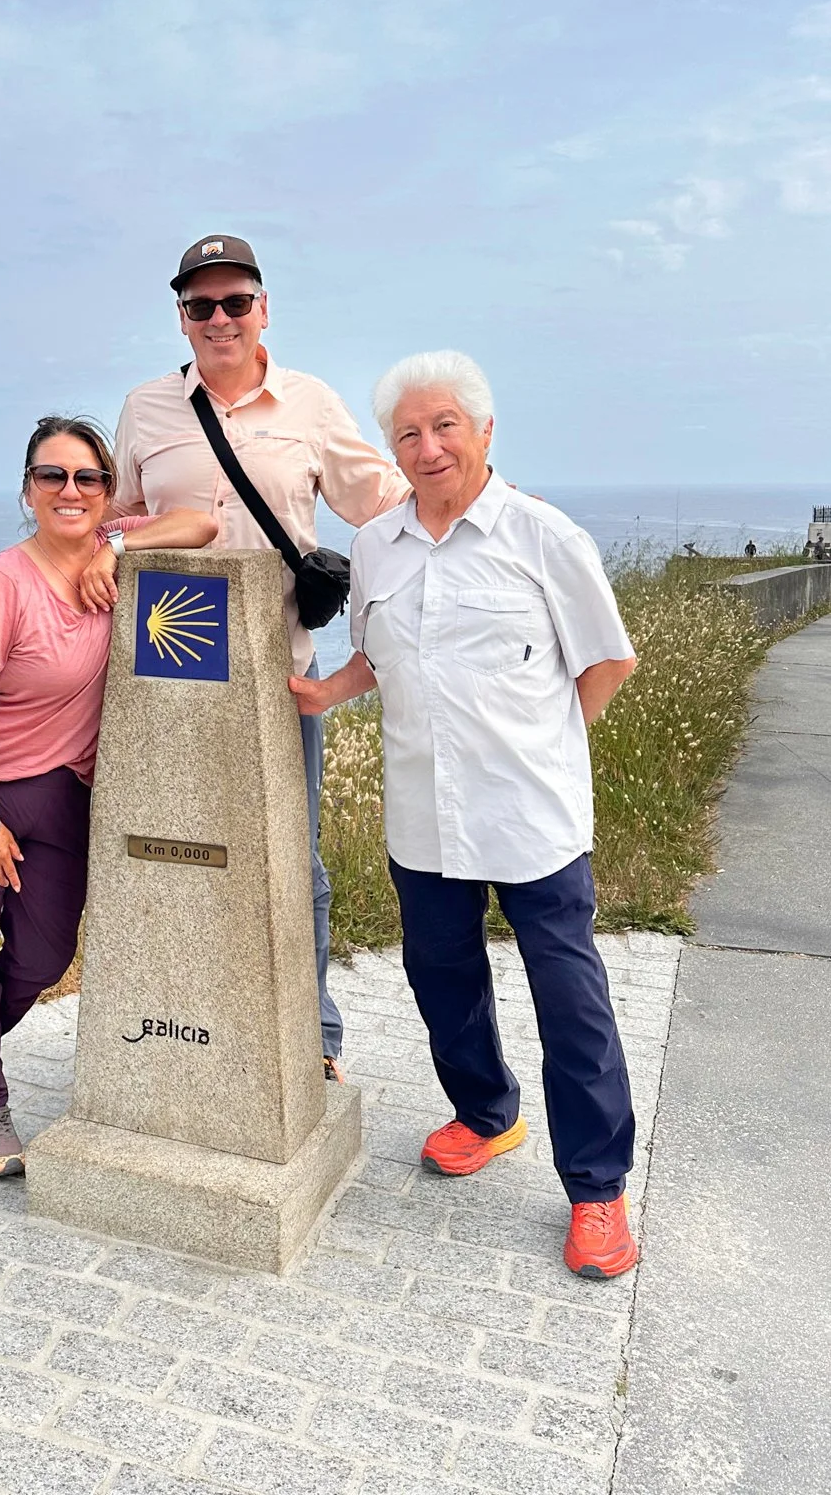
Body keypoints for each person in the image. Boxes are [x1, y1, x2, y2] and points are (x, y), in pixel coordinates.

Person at [291, 350, 641, 1279]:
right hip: (422, 816)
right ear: (392, 450)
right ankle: (487, 1112)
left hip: (533, 818)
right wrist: (327, 694)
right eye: (408, 432)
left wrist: (548, 749)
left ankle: (598, 1188)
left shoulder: (542, 534)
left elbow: (606, 661)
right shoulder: (376, 546)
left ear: (484, 431)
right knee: (440, 977)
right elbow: (376, 654)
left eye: (446, 425)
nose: (429, 445)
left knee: (571, 1002)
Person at [107, 234, 409, 1082]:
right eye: (200, 306)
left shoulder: (309, 405)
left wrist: (483, 499)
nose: (220, 320)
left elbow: (382, 504)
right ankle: (184, 1016)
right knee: (167, 850)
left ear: (263, 309)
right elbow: (116, 520)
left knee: (292, 859)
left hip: (281, 674)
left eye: (236, 302)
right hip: (165, 676)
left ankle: (311, 1033)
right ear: (182, 319)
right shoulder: (146, 408)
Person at [0, 415, 216, 1176]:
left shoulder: (111, 546)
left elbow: (202, 522)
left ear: (107, 490)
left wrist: (123, 545)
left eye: (88, 478)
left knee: (44, 953)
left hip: (58, 792)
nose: (71, 491)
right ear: (29, 490)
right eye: (52, 477)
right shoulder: (0, 588)